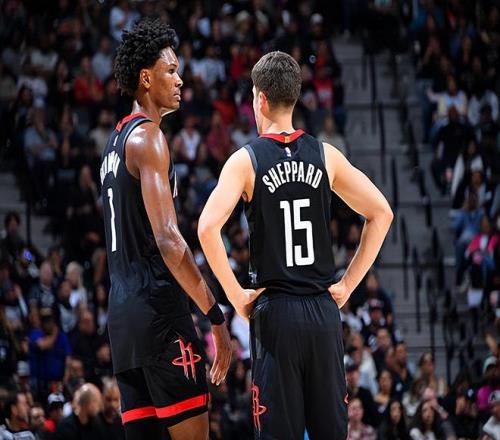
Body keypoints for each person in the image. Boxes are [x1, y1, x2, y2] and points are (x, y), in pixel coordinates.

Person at [198, 51, 393, 439]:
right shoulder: (326, 155)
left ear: (260, 99)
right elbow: (381, 213)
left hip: (277, 314)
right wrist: (347, 285)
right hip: (322, 313)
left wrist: (236, 295)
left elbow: (207, 229)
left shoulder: (245, 160)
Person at [102, 18, 231, 439]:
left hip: (123, 321)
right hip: (159, 313)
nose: (180, 80)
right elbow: (169, 240)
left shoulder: (114, 145)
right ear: (146, 78)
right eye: (171, 70)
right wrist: (214, 314)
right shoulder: (149, 139)